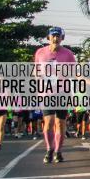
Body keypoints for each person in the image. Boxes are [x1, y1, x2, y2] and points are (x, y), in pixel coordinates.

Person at [34, 27, 77, 164]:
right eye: (53, 36)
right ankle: (49, 149)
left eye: (58, 36)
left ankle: (58, 151)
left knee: (60, 123)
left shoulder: (68, 54)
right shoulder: (40, 52)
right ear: (49, 37)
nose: (55, 38)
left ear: (62, 38)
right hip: (46, 93)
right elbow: (36, 71)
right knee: (49, 122)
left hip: (62, 93)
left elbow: (74, 72)